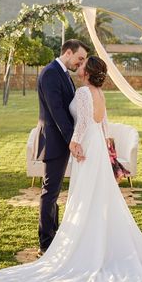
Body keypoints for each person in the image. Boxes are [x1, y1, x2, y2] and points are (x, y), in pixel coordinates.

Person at [0, 56, 142, 282]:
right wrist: (106, 145)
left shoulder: (85, 93)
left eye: (84, 64)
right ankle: (96, 238)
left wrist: (74, 143)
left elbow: (84, 122)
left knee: (86, 193)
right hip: (96, 143)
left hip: (87, 145)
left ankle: (86, 243)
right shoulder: (98, 92)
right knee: (96, 192)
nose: (80, 65)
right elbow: (104, 123)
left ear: (88, 72)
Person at [35, 39, 89, 254]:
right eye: (80, 58)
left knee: (54, 191)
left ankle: (53, 234)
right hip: (55, 141)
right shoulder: (50, 73)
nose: (80, 63)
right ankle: (46, 242)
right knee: (49, 192)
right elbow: (57, 111)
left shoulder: (63, 73)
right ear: (68, 52)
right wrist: (72, 141)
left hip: (62, 141)